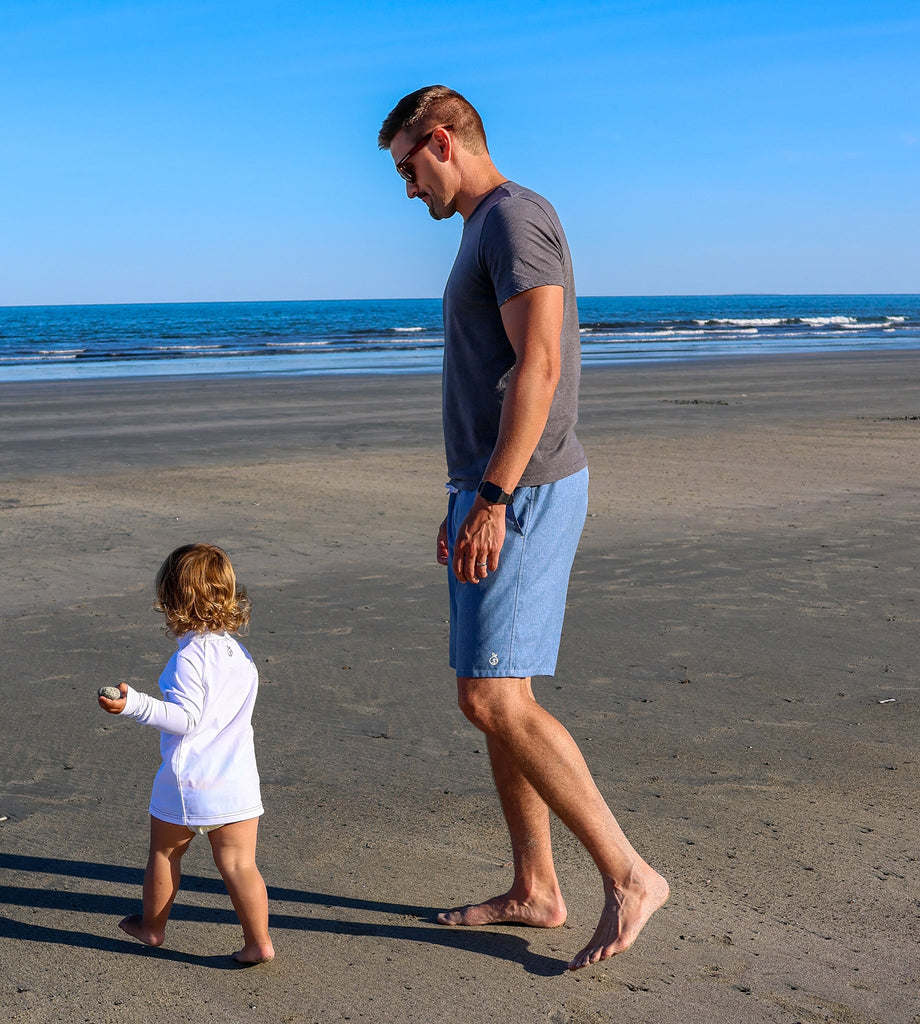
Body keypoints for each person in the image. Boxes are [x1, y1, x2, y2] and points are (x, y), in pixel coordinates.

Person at [377, 86, 668, 970]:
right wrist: (466, 495)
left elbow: (540, 362)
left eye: (405, 167)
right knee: (496, 697)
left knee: (495, 697)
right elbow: (500, 373)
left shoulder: (512, 220)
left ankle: (629, 876)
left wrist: (496, 497)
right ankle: (537, 889)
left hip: (527, 489)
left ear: (441, 141)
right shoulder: (484, 226)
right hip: (492, 487)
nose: (405, 189)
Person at [98, 543, 273, 965]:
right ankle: (258, 942)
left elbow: (186, 719)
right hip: (237, 781)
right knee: (240, 866)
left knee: (165, 853)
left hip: (191, 780)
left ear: (171, 600)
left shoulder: (189, 658)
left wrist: (134, 704)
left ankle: (152, 927)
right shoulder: (238, 653)